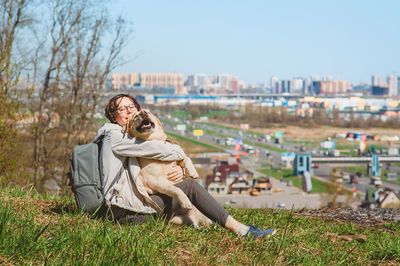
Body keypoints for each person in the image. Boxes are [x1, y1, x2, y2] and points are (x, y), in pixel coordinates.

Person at [94, 94, 276, 238]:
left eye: (132, 107)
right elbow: (156, 148)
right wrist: (180, 155)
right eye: (122, 108)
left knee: (188, 194)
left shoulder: (127, 137)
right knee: (190, 187)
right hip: (124, 213)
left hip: (131, 207)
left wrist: (178, 169)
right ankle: (242, 231)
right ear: (113, 116)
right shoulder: (114, 135)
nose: (129, 110)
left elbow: (153, 159)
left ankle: (208, 220)